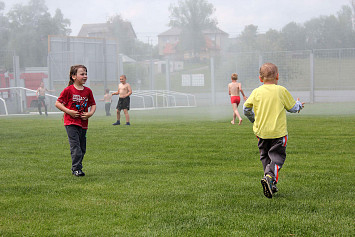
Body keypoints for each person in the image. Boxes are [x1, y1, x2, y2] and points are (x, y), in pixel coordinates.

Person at [243, 63, 304, 198]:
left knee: (265, 156)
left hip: (261, 132)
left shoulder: (256, 92)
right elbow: (293, 108)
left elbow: (245, 109)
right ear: (277, 76)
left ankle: (270, 182)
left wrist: (253, 120)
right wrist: (299, 105)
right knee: (277, 157)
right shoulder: (281, 90)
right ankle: (270, 177)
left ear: (260, 78)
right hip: (278, 133)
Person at [55, 65, 96, 177]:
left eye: (86, 74)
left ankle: (78, 166)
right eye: (82, 74)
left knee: (82, 148)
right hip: (71, 123)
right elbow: (57, 103)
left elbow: (93, 104)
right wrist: (69, 111)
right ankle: (76, 169)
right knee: (76, 147)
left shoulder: (88, 91)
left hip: (83, 124)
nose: (85, 76)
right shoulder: (68, 90)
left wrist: (90, 114)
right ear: (74, 76)